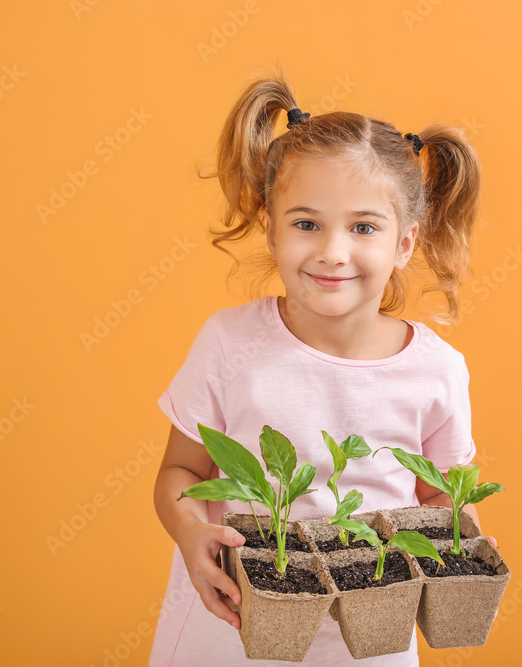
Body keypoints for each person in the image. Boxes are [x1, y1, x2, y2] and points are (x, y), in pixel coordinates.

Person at [150, 67, 493, 667]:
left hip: (370, 643)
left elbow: (444, 499)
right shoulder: (231, 344)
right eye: (307, 224)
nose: (333, 251)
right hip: (229, 627)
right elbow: (180, 471)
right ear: (272, 228)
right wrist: (191, 533)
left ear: (405, 244)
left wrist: (461, 537)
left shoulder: (436, 369)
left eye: (364, 227)